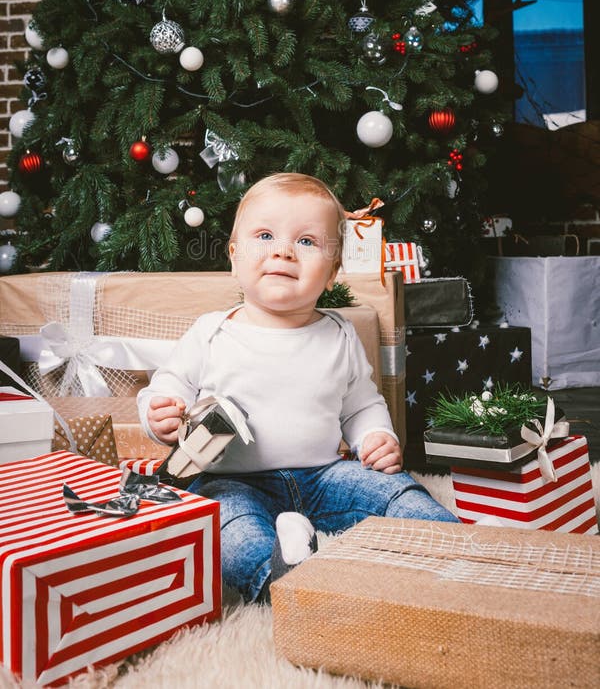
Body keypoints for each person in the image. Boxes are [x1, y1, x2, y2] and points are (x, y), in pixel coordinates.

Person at [137, 172, 458, 604]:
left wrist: (375, 437)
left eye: (307, 242)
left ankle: (456, 549)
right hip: (231, 480)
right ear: (234, 257)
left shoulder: (340, 335)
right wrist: (160, 412)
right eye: (265, 235)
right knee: (227, 529)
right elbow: (168, 385)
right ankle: (285, 583)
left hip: (324, 475)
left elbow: (361, 405)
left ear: (332, 273)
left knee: (394, 491)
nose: (284, 250)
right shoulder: (211, 332)